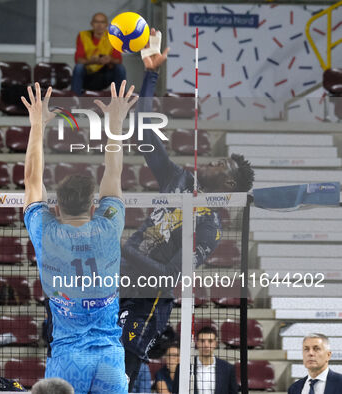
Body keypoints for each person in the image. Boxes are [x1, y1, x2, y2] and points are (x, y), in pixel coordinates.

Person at [119, 29, 255, 390]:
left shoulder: (210, 226)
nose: (211, 163)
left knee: (124, 372)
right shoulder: (178, 178)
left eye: (220, 165)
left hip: (149, 297)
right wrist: (150, 76)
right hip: (119, 279)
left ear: (227, 185)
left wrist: (126, 249)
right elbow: (144, 135)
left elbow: (171, 275)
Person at [23, 80, 137, 394]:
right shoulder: (109, 225)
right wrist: (115, 122)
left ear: (56, 207)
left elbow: (32, 179)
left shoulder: (46, 230)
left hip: (67, 358)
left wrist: (37, 125)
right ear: (94, 205)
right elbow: (112, 173)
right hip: (109, 359)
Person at [71, 12, 126, 95]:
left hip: (105, 76)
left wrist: (110, 59)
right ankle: (73, 101)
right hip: (88, 76)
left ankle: (120, 101)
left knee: (120, 68)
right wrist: (91, 61)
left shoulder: (113, 37)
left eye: (102, 22)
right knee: (78, 67)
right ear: (92, 24)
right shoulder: (83, 35)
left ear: (106, 24)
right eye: (96, 22)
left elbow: (118, 60)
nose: (99, 25)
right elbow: (78, 60)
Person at [172, 327, 238, 394]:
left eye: (210, 341)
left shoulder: (227, 369)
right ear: (197, 343)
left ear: (215, 344)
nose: (206, 345)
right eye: (202, 341)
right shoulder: (183, 368)